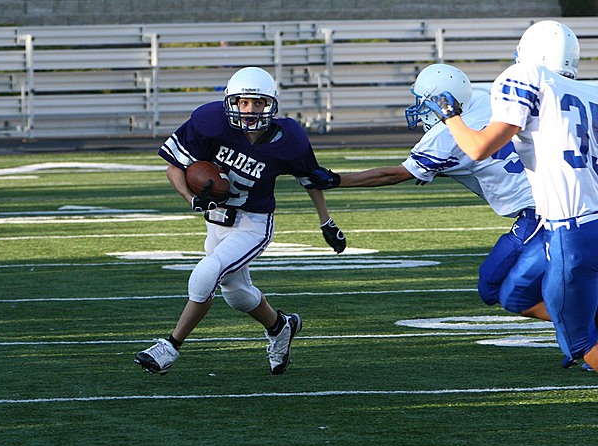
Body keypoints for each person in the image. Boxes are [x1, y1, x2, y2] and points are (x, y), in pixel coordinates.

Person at [134, 66, 346, 376]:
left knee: (207, 273)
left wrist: (326, 222)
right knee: (235, 293)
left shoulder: (289, 139)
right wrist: (191, 199)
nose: (249, 110)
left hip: (253, 222)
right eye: (243, 102)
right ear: (230, 102)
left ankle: (169, 347)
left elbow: (310, 180)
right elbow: (175, 167)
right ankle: (280, 327)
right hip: (215, 220)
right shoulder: (210, 123)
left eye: (257, 103)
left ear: (270, 104)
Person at [308, 64, 548, 321]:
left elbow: (393, 175)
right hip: (551, 197)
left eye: (424, 103)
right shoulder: (482, 97)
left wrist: (336, 180)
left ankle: (585, 334)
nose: (420, 109)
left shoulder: (443, 137)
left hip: (539, 212)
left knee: (494, 287)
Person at [423, 20, 598, 372]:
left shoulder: (528, 76)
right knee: (528, 296)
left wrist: (450, 117)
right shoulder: (590, 92)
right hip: (584, 220)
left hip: (572, 229)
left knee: (582, 343)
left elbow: (477, 148)